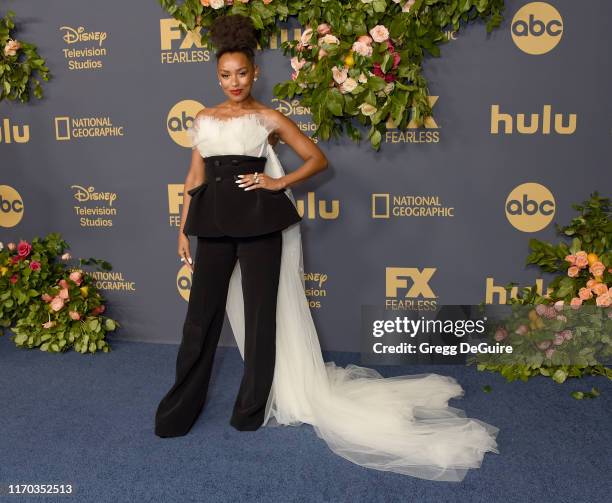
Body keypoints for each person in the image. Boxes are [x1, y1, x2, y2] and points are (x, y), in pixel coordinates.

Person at [155, 13, 499, 482]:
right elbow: (194, 177)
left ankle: (249, 409)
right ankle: (179, 408)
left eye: (241, 73)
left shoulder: (269, 117)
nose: (233, 82)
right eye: (224, 75)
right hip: (212, 225)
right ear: (217, 77)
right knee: (199, 321)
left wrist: (278, 182)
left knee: (260, 320)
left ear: (255, 73)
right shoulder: (204, 117)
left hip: (259, 225)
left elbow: (317, 158)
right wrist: (181, 229)